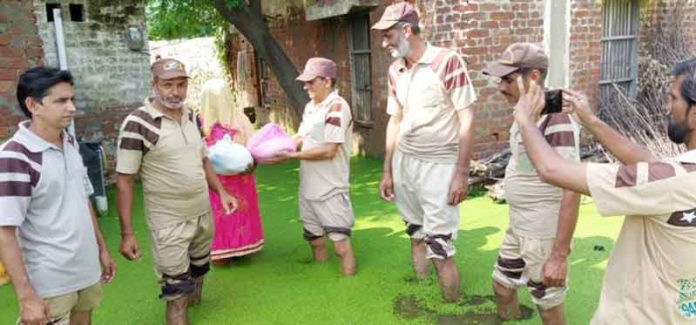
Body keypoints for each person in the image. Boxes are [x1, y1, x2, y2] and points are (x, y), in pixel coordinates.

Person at [512, 58, 696, 324]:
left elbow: (551, 169)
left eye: (673, 99)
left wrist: (524, 119)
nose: (667, 107)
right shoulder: (677, 175)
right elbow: (649, 163)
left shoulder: (672, 180)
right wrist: (591, 121)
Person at [115, 58, 238, 325]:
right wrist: (127, 234)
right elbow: (124, 180)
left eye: (181, 84)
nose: (175, 91)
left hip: (202, 213)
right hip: (168, 221)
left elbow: (203, 160)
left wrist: (222, 192)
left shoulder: (191, 115)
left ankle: (195, 303)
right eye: (167, 84)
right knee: (176, 291)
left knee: (199, 269)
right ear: (154, 85)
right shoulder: (138, 123)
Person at [371, 2, 477, 302]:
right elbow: (396, 119)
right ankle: (421, 295)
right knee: (416, 235)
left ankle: (450, 308)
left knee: (440, 247)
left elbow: (467, 118)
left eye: (388, 35)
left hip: (439, 167)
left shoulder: (447, 62)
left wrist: (461, 173)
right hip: (405, 165)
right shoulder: (395, 70)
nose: (384, 43)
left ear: (407, 30)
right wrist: (387, 171)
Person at [0, 67, 116, 325]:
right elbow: (4, 232)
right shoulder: (14, 156)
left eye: (72, 99)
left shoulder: (71, 143)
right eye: (61, 101)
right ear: (33, 104)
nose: (72, 107)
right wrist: (25, 296)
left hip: (85, 271)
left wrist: (102, 249)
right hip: (50, 280)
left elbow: (82, 198)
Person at [482, 43, 581, 324]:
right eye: (500, 79)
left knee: (548, 309)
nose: (500, 87)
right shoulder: (524, 111)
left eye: (508, 79)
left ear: (534, 77)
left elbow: (572, 187)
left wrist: (559, 255)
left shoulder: (557, 118)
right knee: (502, 287)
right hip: (519, 226)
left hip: (542, 233)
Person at [268, 57, 356, 276]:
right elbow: (302, 135)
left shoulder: (337, 108)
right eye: (304, 82)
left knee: (340, 247)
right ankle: (321, 280)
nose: (305, 86)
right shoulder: (311, 107)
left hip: (331, 189)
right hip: (308, 188)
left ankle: (347, 286)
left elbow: (329, 150)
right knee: (315, 241)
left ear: (327, 81)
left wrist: (291, 156)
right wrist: (277, 148)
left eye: (311, 82)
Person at [199, 78, 264, 263]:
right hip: (225, 181)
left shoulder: (202, 124)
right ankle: (233, 249)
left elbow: (253, 149)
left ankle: (229, 250)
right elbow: (254, 149)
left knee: (227, 213)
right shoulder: (236, 120)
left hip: (225, 180)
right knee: (229, 212)